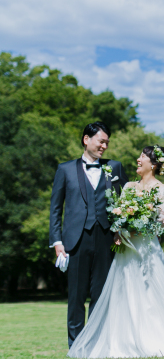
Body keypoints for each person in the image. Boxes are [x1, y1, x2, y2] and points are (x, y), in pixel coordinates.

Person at [67, 145, 164, 358]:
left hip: (148, 251)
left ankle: (154, 341)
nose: (138, 159)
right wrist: (120, 229)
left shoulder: (160, 189)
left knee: (150, 296)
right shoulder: (129, 186)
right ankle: (125, 342)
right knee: (124, 295)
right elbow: (118, 214)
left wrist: (142, 225)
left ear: (154, 164)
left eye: (142, 156)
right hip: (126, 251)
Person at [49, 122, 128, 347]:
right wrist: (57, 241)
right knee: (76, 296)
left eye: (107, 142)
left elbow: (127, 199)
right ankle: (75, 346)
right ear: (86, 140)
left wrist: (121, 229)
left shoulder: (115, 167)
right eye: (101, 141)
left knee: (101, 295)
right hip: (75, 241)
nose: (104, 146)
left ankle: (96, 344)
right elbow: (55, 209)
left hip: (106, 239)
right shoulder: (65, 170)